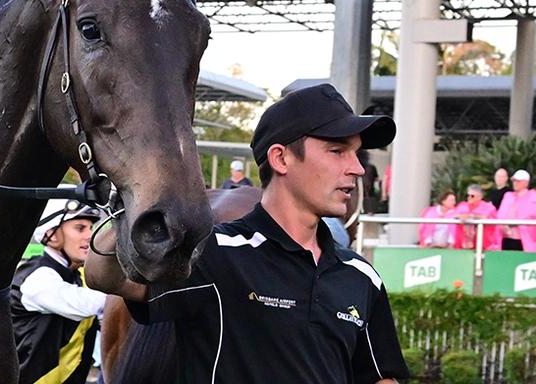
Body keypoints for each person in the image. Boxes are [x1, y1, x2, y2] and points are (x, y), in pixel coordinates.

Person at [92, 83, 407, 383]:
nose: (358, 168)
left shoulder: (362, 277)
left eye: (356, 153)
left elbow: (379, 376)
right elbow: (102, 276)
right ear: (281, 158)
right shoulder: (214, 253)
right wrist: (140, 191)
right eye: (337, 151)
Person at [11, 199, 104, 384]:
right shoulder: (37, 277)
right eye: (80, 228)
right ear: (52, 235)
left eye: (91, 228)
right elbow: (91, 304)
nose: (90, 235)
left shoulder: (77, 276)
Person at [497, 169, 536, 252]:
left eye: (518, 181)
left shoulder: (533, 197)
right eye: (514, 180)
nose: (515, 183)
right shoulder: (508, 196)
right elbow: (500, 215)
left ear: (526, 182)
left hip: (524, 240)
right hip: (505, 238)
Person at [453, 184, 500, 251]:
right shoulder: (462, 206)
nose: (469, 197)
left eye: (472, 196)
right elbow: (454, 215)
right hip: (462, 248)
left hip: (484, 248)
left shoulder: (489, 208)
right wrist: (462, 216)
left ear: (480, 196)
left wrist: (472, 216)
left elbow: (489, 220)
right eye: (468, 195)